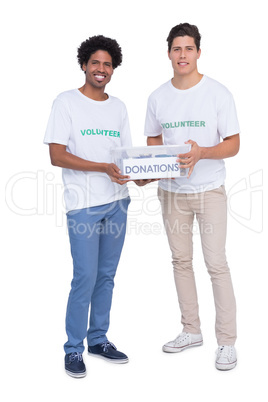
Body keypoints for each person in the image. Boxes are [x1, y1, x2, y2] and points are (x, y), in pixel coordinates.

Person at [44, 35, 151, 378]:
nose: (101, 69)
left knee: (106, 277)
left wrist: (141, 175)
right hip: (84, 206)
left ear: (113, 69)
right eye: (95, 63)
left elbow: (122, 158)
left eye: (108, 64)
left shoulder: (118, 107)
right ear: (84, 65)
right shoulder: (66, 102)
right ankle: (73, 349)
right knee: (85, 277)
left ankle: (98, 340)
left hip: (117, 203)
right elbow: (57, 155)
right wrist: (102, 168)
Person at [144, 23, 240, 370]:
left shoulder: (218, 93)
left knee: (216, 264)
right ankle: (191, 330)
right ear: (169, 53)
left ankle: (226, 342)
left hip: (209, 189)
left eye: (188, 49)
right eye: (176, 49)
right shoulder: (158, 97)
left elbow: (233, 144)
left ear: (198, 52)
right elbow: (153, 140)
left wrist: (202, 154)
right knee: (181, 262)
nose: (182, 55)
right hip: (171, 193)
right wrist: (155, 166)